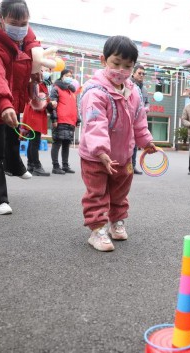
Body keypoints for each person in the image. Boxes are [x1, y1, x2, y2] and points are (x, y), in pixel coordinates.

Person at [78, 35, 156, 252]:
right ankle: (97, 229)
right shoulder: (95, 92)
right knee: (97, 193)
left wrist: (146, 141)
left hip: (123, 155)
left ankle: (116, 222)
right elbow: (95, 124)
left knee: (120, 192)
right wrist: (101, 151)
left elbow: (139, 120)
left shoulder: (133, 92)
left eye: (127, 66)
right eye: (116, 63)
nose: (121, 70)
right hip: (96, 156)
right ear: (103, 60)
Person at [0, 0, 42, 215]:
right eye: (14, 22)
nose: (20, 27)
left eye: (24, 23)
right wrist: (3, 104)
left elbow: (32, 52)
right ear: (1, 19)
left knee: (12, 136)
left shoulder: (24, 39)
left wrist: (35, 70)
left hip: (12, 101)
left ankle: (14, 166)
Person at [22, 67, 55, 176]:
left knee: (32, 140)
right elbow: (39, 101)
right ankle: (36, 165)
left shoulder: (40, 83)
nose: (47, 72)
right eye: (44, 69)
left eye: (49, 70)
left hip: (34, 113)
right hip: (35, 114)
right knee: (34, 141)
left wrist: (50, 105)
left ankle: (31, 164)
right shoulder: (37, 83)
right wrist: (51, 105)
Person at [49, 69, 80, 174]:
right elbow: (52, 105)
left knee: (66, 144)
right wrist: (54, 119)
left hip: (71, 121)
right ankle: (55, 166)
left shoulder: (72, 91)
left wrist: (78, 120)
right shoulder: (56, 88)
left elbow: (75, 106)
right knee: (57, 143)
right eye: (67, 75)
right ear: (62, 76)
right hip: (60, 120)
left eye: (71, 76)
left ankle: (65, 165)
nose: (69, 77)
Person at [130, 64, 150, 175]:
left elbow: (147, 102)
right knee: (128, 144)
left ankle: (132, 166)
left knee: (135, 145)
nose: (142, 75)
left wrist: (147, 107)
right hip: (129, 119)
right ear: (133, 73)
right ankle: (126, 166)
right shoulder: (128, 85)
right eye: (139, 73)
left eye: (143, 74)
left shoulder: (144, 89)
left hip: (139, 119)